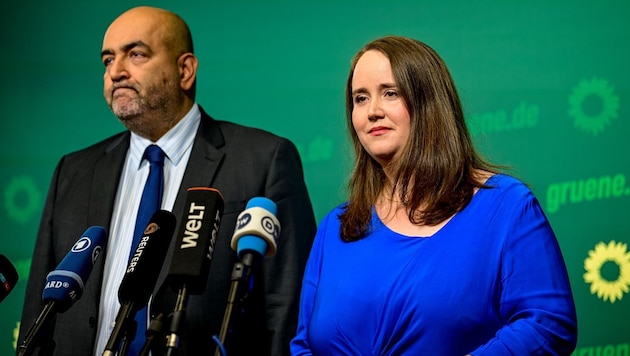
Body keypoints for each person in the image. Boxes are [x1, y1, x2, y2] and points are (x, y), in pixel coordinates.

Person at [18, 6, 317, 356]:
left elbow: (288, 306)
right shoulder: (73, 171)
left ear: (185, 70)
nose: (115, 71)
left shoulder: (262, 160)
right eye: (107, 60)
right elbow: (39, 313)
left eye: (136, 54)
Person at [290, 36, 577, 355]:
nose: (372, 111)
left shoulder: (506, 207)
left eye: (390, 93)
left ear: (429, 103)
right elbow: (303, 345)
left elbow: (546, 324)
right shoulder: (337, 227)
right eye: (360, 98)